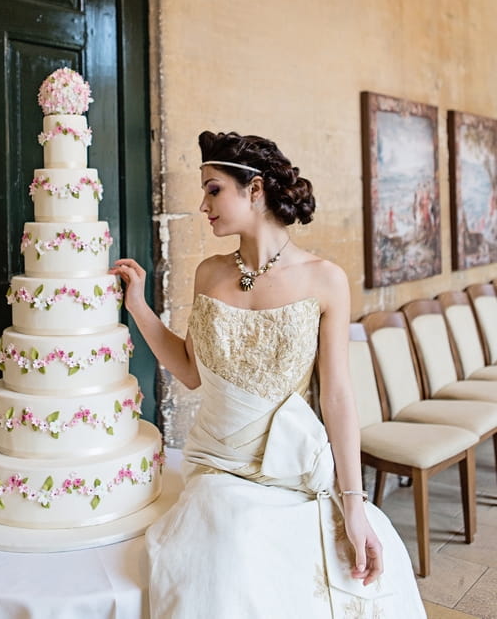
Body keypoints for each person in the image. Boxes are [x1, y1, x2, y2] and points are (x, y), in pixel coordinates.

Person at [113, 130, 426, 618]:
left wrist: (354, 503)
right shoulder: (209, 273)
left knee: (358, 568)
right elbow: (192, 373)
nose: (203, 204)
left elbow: (338, 397)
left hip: (293, 466)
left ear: (254, 189)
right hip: (220, 469)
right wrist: (138, 305)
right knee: (229, 551)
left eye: (213, 189)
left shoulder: (326, 279)